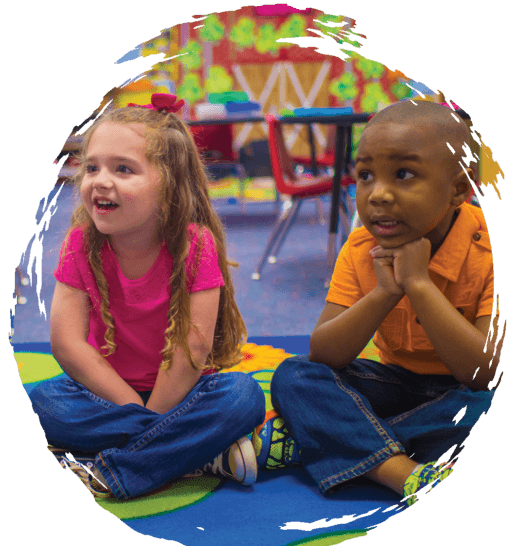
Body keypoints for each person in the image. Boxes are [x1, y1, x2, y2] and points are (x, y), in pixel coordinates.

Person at [252, 99, 503, 508]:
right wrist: (385, 292)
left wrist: (419, 284)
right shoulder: (362, 247)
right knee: (295, 376)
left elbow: (482, 373)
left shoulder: (489, 250)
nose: (378, 195)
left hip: (462, 393)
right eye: (365, 175)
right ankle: (401, 471)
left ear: (460, 188)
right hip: (394, 382)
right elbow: (325, 354)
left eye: (404, 174)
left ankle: (332, 440)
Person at [29, 93, 265, 501]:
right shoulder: (80, 244)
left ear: (169, 186)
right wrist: (146, 417)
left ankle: (122, 466)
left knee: (243, 397)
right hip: (105, 397)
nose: (101, 180)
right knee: (42, 404)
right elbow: (66, 343)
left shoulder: (196, 244)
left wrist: (156, 411)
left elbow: (193, 345)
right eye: (92, 168)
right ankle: (191, 452)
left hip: (184, 392)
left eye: (123, 169)